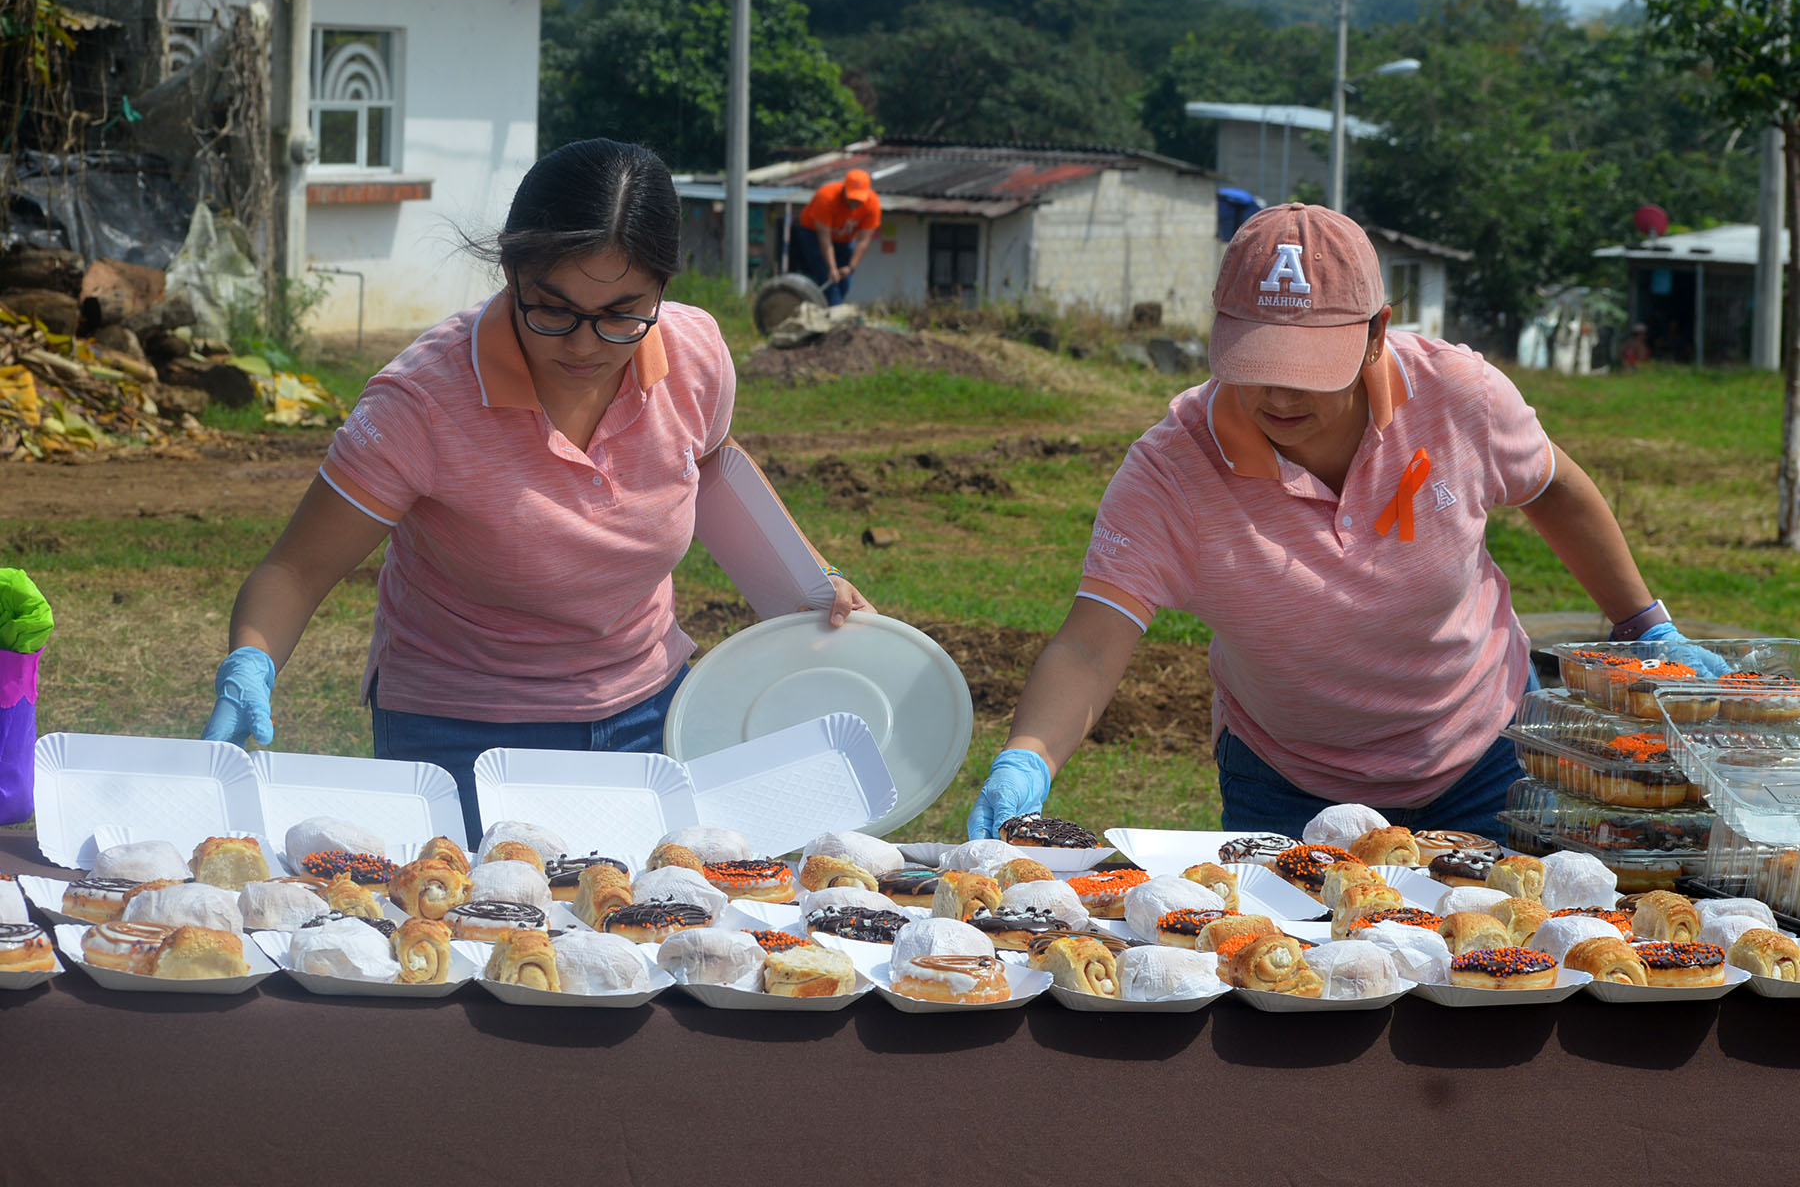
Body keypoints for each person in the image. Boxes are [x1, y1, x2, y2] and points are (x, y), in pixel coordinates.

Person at [967, 203, 1723, 844]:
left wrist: (1643, 623)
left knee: (1499, 977)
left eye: (1309, 367)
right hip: (1291, 783)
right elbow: (1090, 647)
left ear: (1375, 332)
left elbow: (1553, 487)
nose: (1279, 395)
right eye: (1257, 359)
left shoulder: (1459, 398)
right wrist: (1026, 758)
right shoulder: (1174, 469)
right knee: (1301, 991)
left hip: (1487, 755)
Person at [202, 138, 872, 840]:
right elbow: (296, 569)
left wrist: (801, 580)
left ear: (663, 289)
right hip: (460, 733)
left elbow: (707, 464)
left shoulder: (694, 354)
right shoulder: (422, 401)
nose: (584, 345)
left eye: (622, 313)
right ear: (510, 271)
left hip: (649, 712)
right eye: (552, 309)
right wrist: (252, 659)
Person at [791, 168, 881, 306]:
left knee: (844, 281)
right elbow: (825, 239)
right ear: (844, 189)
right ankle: (833, 311)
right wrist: (832, 268)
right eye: (852, 198)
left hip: (844, 240)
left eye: (859, 199)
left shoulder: (873, 204)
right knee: (827, 276)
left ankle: (832, 307)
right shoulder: (826, 197)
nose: (854, 203)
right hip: (813, 235)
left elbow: (863, 240)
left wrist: (851, 267)